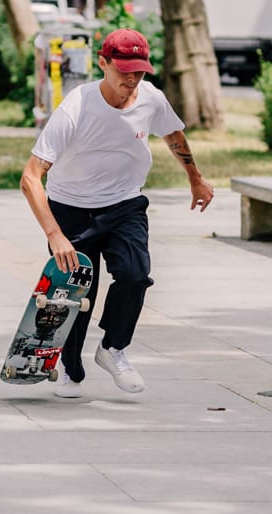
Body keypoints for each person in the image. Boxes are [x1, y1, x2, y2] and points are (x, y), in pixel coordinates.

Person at [20, 27, 214, 398]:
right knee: (75, 292)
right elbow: (30, 177)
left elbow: (174, 136)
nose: (131, 80)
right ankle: (70, 368)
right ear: (102, 63)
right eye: (124, 70)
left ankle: (112, 348)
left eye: (139, 71)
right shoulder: (75, 107)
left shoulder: (151, 99)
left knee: (135, 275)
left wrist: (196, 179)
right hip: (70, 210)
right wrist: (54, 234)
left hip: (124, 203)